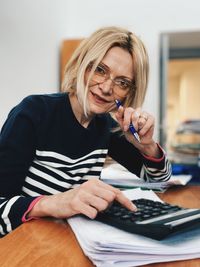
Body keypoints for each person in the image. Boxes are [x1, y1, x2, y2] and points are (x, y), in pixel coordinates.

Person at [0, 26, 171, 237]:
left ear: (129, 93)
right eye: (100, 69)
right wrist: (54, 203)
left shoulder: (107, 126)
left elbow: (160, 182)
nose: (107, 88)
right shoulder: (34, 112)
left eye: (122, 82)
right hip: (24, 246)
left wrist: (147, 145)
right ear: (82, 64)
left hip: (70, 240)